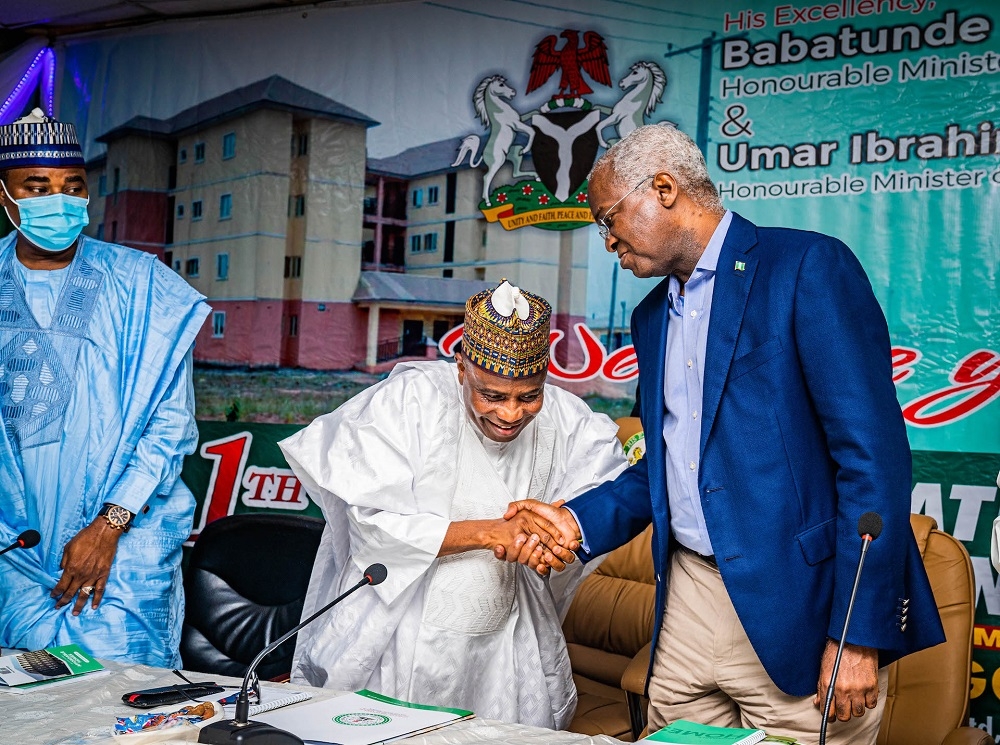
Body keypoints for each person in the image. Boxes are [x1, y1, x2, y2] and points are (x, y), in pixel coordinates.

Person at [507, 123, 944, 743]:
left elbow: (873, 460)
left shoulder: (807, 268)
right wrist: (573, 523)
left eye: (609, 219)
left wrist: (857, 634)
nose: (607, 242)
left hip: (798, 605)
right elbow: (660, 467)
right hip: (686, 600)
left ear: (663, 188)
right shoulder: (652, 314)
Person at [279, 280, 627, 728]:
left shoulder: (566, 417)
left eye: (529, 396)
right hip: (402, 633)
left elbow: (601, 492)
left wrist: (555, 534)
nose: (510, 413)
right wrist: (494, 532)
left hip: (510, 639)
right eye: (493, 396)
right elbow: (372, 524)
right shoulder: (411, 401)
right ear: (462, 368)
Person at [0, 109, 209, 666]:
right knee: (22, 708)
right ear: (5, 197)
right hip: (11, 548)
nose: (59, 201)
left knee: (119, 703)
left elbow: (170, 423)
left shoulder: (143, 285)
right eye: (38, 188)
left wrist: (109, 525)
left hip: (122, 541)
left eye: (73, 187)